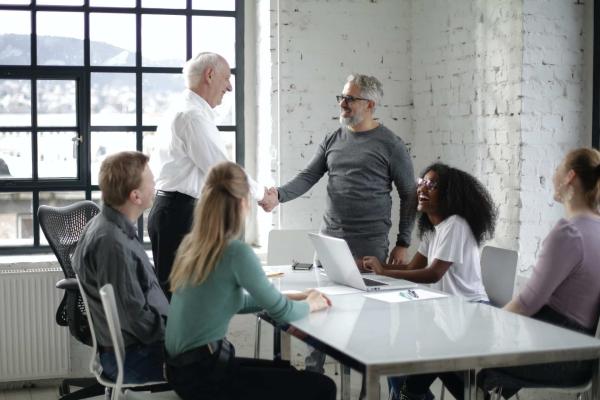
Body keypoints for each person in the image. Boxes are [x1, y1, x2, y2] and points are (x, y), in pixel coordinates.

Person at [164, 161, 336, 400]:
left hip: (181, 371)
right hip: (205, 376)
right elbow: (284, 314)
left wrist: (294, 296)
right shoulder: (235, 252)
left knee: (286, 372)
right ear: (243, 204)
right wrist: (313, 304)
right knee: (322, 387)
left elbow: (233, 302)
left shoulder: (191, 244)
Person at [362, 162, 497, 400]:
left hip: (471, 314)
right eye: (421, 183)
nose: (423, 189)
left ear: (449, 193)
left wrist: (383, 272)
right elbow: (414, 268)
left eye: (432, 185)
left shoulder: (456, 225)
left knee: (422, 364)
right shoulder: (434, 230)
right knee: (398, 355)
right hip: (446, 314)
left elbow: (432, 274)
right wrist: (375, 272)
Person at [475, 147, 600, 400]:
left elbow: (526, 303)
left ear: (570, 177)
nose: (554, 175)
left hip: (554, 356)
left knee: (461, 357)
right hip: (580, 356)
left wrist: (484, 330)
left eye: (558, 169)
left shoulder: (569, 233)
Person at [148, 52, 272, 299]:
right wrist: (262, 195)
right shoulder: (192, 116)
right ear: (210, 75)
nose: (229, 86)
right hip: (179, 216)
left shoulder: (187, 111)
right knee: (182, 300)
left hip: (175, 212)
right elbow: (222, 171)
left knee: (185, 298)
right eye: (226, 78)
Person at [260, 73, 417, 266]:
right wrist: (279, 195)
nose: (342, 103)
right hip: (329, 242)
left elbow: (410, 194)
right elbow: (308, 176)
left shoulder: (392, 145)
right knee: (324, 296)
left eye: (350, 98)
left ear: (370, 104)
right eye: (342, 97)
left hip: (369, 246)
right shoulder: (332, 139)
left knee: (363, 296)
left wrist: (403, 243)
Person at [74, 151, 168, 383]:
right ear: (135, 196)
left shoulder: (108, 226)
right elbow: (135, 317)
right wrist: (178, 334)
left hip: (138, 348)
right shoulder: (112, 244)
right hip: (134, 357)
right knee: (218, 367)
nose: (155, 184)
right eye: (151, 181)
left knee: (219, 356)